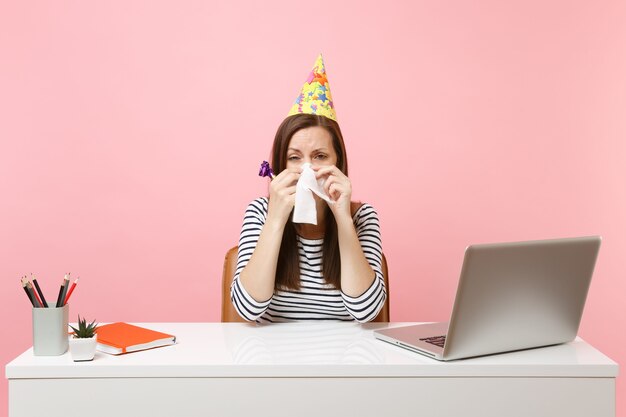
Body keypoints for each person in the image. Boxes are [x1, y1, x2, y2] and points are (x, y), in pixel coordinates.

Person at [231, 55, 386, 323]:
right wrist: (276, 218)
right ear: (279, 166)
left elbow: (366, 312)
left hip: (343, 359)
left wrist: (342, 218)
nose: (307, 170)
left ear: (338, 162)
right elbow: (247, 310)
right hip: (274, 359)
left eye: (320, 156)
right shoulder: (259, 212)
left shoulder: (362, 217)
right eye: (294, 158)